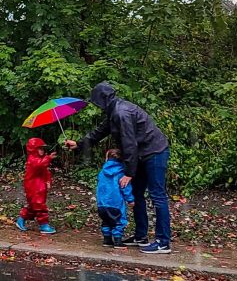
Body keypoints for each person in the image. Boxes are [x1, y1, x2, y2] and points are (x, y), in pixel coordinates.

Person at [66, 81, 171, 254]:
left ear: (103, 99)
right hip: (141, 155)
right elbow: (99, 132)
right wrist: (78, 144)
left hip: (154, 152)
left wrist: (129, 173)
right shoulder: (113, 111)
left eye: (97, 102)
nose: (97, 106)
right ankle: (141, 236)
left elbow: (130, 144)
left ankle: (163, 242)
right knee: (137, 194)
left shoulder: (121, 113)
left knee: (157, 196)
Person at [16, 136, 57, 234]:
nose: (42, 151)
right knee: (38, 205)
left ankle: (21, 219)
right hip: (33, 187)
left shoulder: (40, 159)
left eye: (43, 149)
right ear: (34, 149)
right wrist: (48, 158)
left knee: (33, 207)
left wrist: (48, 181)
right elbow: (39, 165)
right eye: (40, 148)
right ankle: (44, 225)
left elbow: (45, 171)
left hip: (39, 186)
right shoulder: (32, 160)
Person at [96, 148, 135, 248]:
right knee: (118, 222)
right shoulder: (121, 173)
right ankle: (118, 241)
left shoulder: (102, 172)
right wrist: (130, 200)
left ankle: (107, 240)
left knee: (106, 221)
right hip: (115, 203)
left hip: (102, 204)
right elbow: (125, 187)